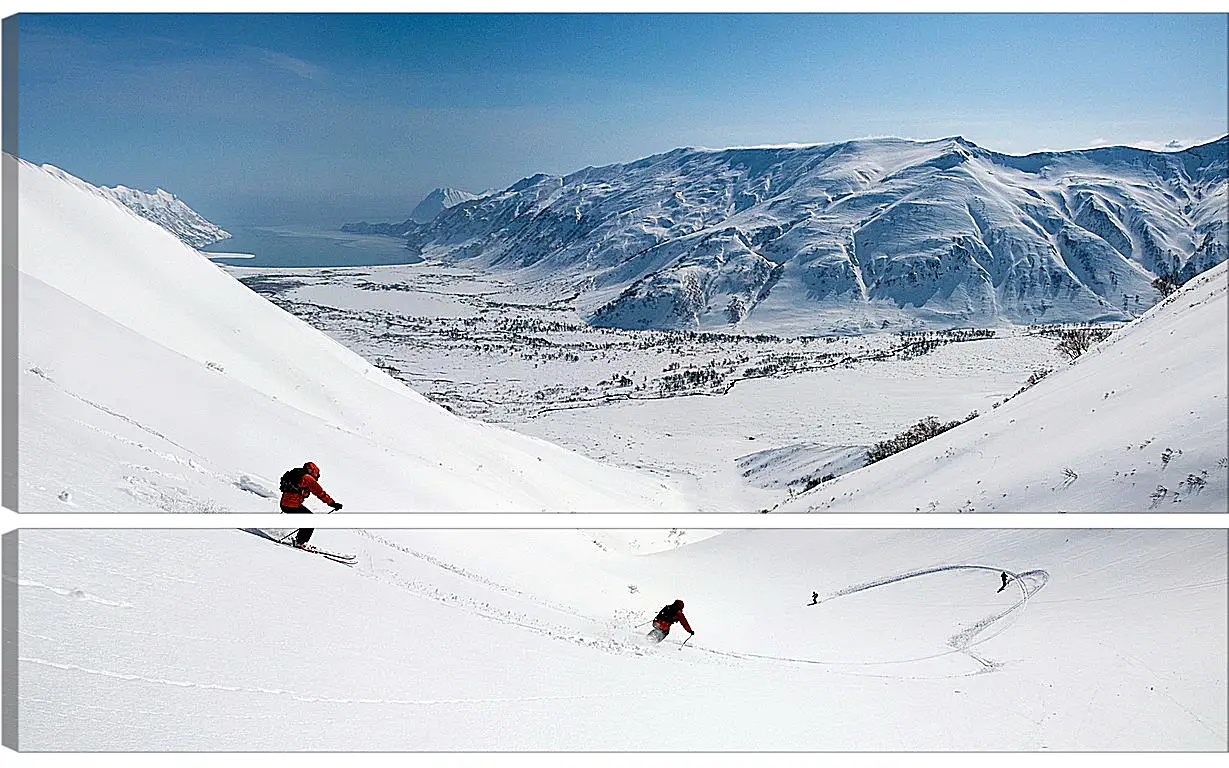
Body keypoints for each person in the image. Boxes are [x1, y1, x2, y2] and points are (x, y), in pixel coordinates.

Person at [279, 461, 342, 548]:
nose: (317, 478)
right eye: (317, 475)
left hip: (285, 504)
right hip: (291, 505)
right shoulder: (308, 478)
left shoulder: (298, 474)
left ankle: (299, 540)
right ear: (314, 471)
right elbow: (319, 492)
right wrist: (332, 503)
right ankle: (300, 543)